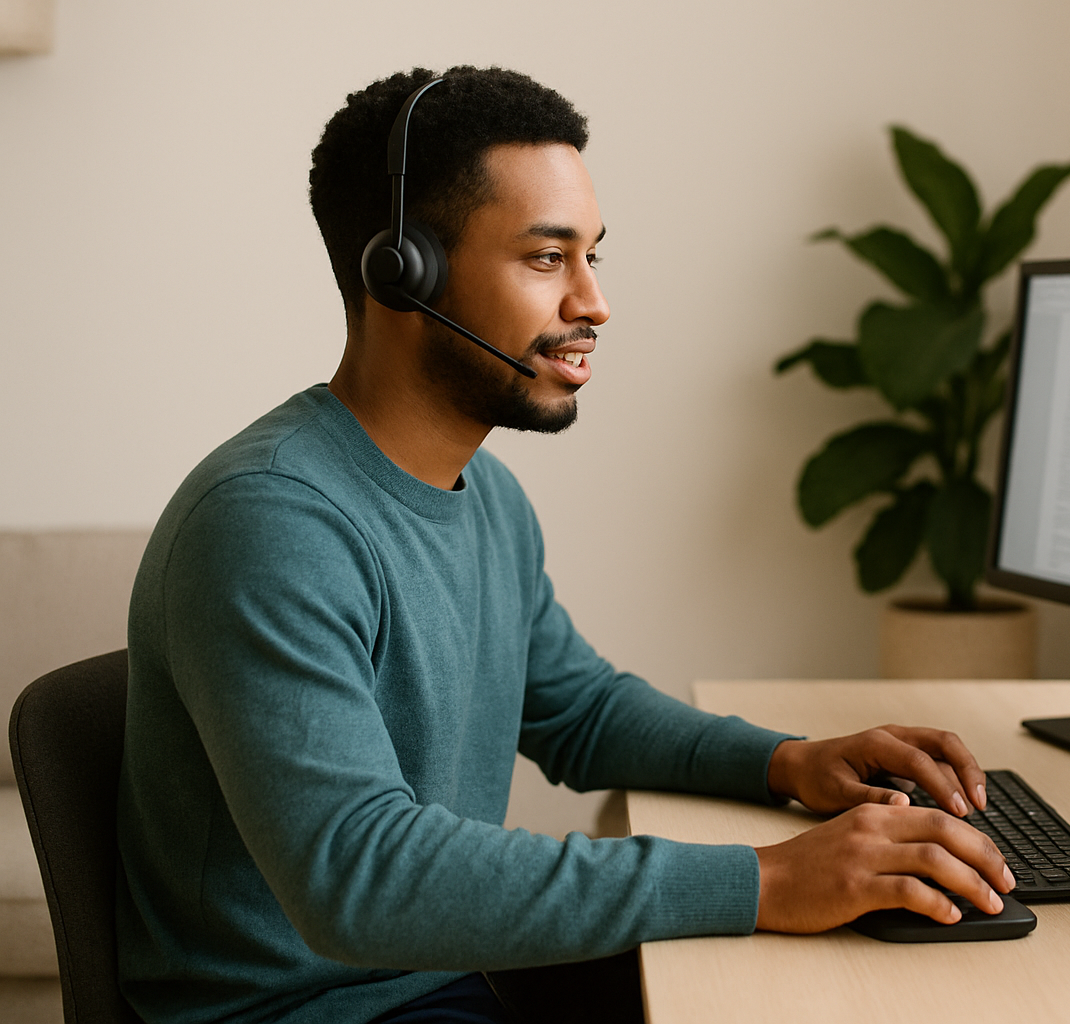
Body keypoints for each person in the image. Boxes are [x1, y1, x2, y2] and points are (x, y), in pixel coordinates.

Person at [115, 66, 1013, 1024]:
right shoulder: (271, 523)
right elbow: (358, 877)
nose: (594, 303)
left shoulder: (486, 496)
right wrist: (768, 881)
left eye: (593, 256)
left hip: (433, 978)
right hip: (310, 1013)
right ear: (402, 273)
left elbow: (579, 712)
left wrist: (789, 763)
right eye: (548, 259)